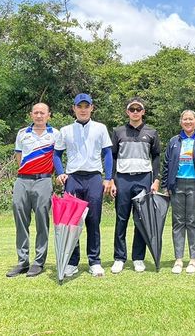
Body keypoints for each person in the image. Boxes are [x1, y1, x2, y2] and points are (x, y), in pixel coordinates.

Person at [54, 93, 113, 278]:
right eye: (80, 106)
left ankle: (94, 261)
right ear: (74, 108)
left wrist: (108, 177)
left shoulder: (100, 128)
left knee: (93, 221)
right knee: (72, 222)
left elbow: (108, 154)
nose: (83, 110)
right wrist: (60, 172)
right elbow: (56, 154)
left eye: (86, 106)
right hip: (73, 178)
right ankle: (72, 262)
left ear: (91, 108)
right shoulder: (65, 130)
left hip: (94, 178)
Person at [6, 103, 59, 278]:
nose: (39, 115)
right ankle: (22, 262)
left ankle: (38, 262)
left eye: (42, 113)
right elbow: (19, 156)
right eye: (35, 112)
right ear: (31, 115)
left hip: (43, 180)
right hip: (22, 180)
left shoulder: (55, 134)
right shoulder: (22, 133)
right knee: (21, 220)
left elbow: (58, 157)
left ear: (48, 115)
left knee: (42, 220)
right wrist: (25, 171)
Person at [109, 97, 161, 273]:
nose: (136, 112)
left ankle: (138, 257)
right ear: (127, 112)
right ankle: (119, 257)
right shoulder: (118, 131)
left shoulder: (151, 132)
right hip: (123, 179)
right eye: (132, 109)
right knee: (121, 218)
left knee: (141, 219)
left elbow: (156, 157)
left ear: (143, 112)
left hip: (143, 179)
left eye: (139, 109)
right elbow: (113, 156)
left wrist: (156, 180)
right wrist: (113, 180)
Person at [161, 110, 195, 274]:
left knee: (193, 221)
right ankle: (178, 259)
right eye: (185, 119)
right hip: (177, 185)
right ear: (181, 122)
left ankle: (193, 259)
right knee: (178, 222)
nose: (188, 121)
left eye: (191, 119)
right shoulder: (174, 141)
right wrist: (165, 186)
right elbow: (167, 164)